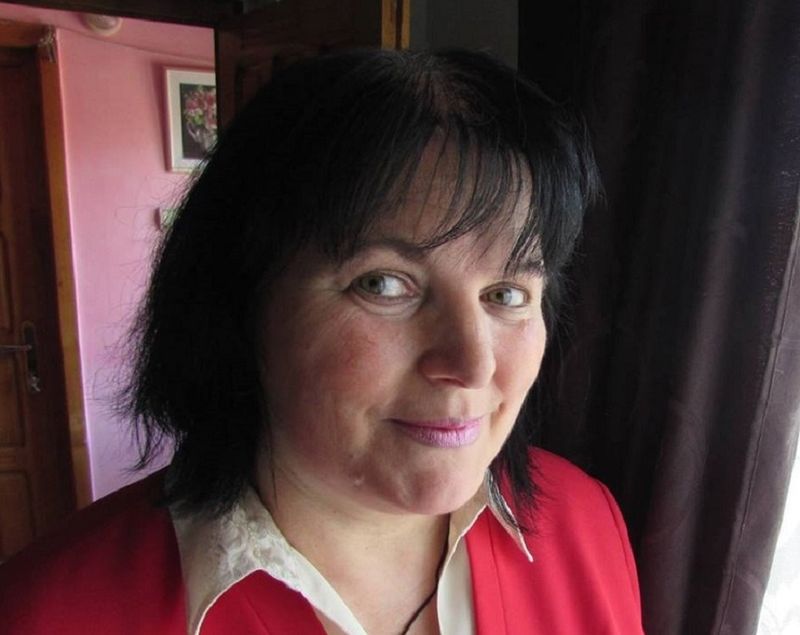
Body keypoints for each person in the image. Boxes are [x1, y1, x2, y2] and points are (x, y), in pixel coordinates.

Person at [0, 49, 643, 634]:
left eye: (506, 294)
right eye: (384, 284)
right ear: (240, 302)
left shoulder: (584, 525)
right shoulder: (49, 615)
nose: (473, 363)